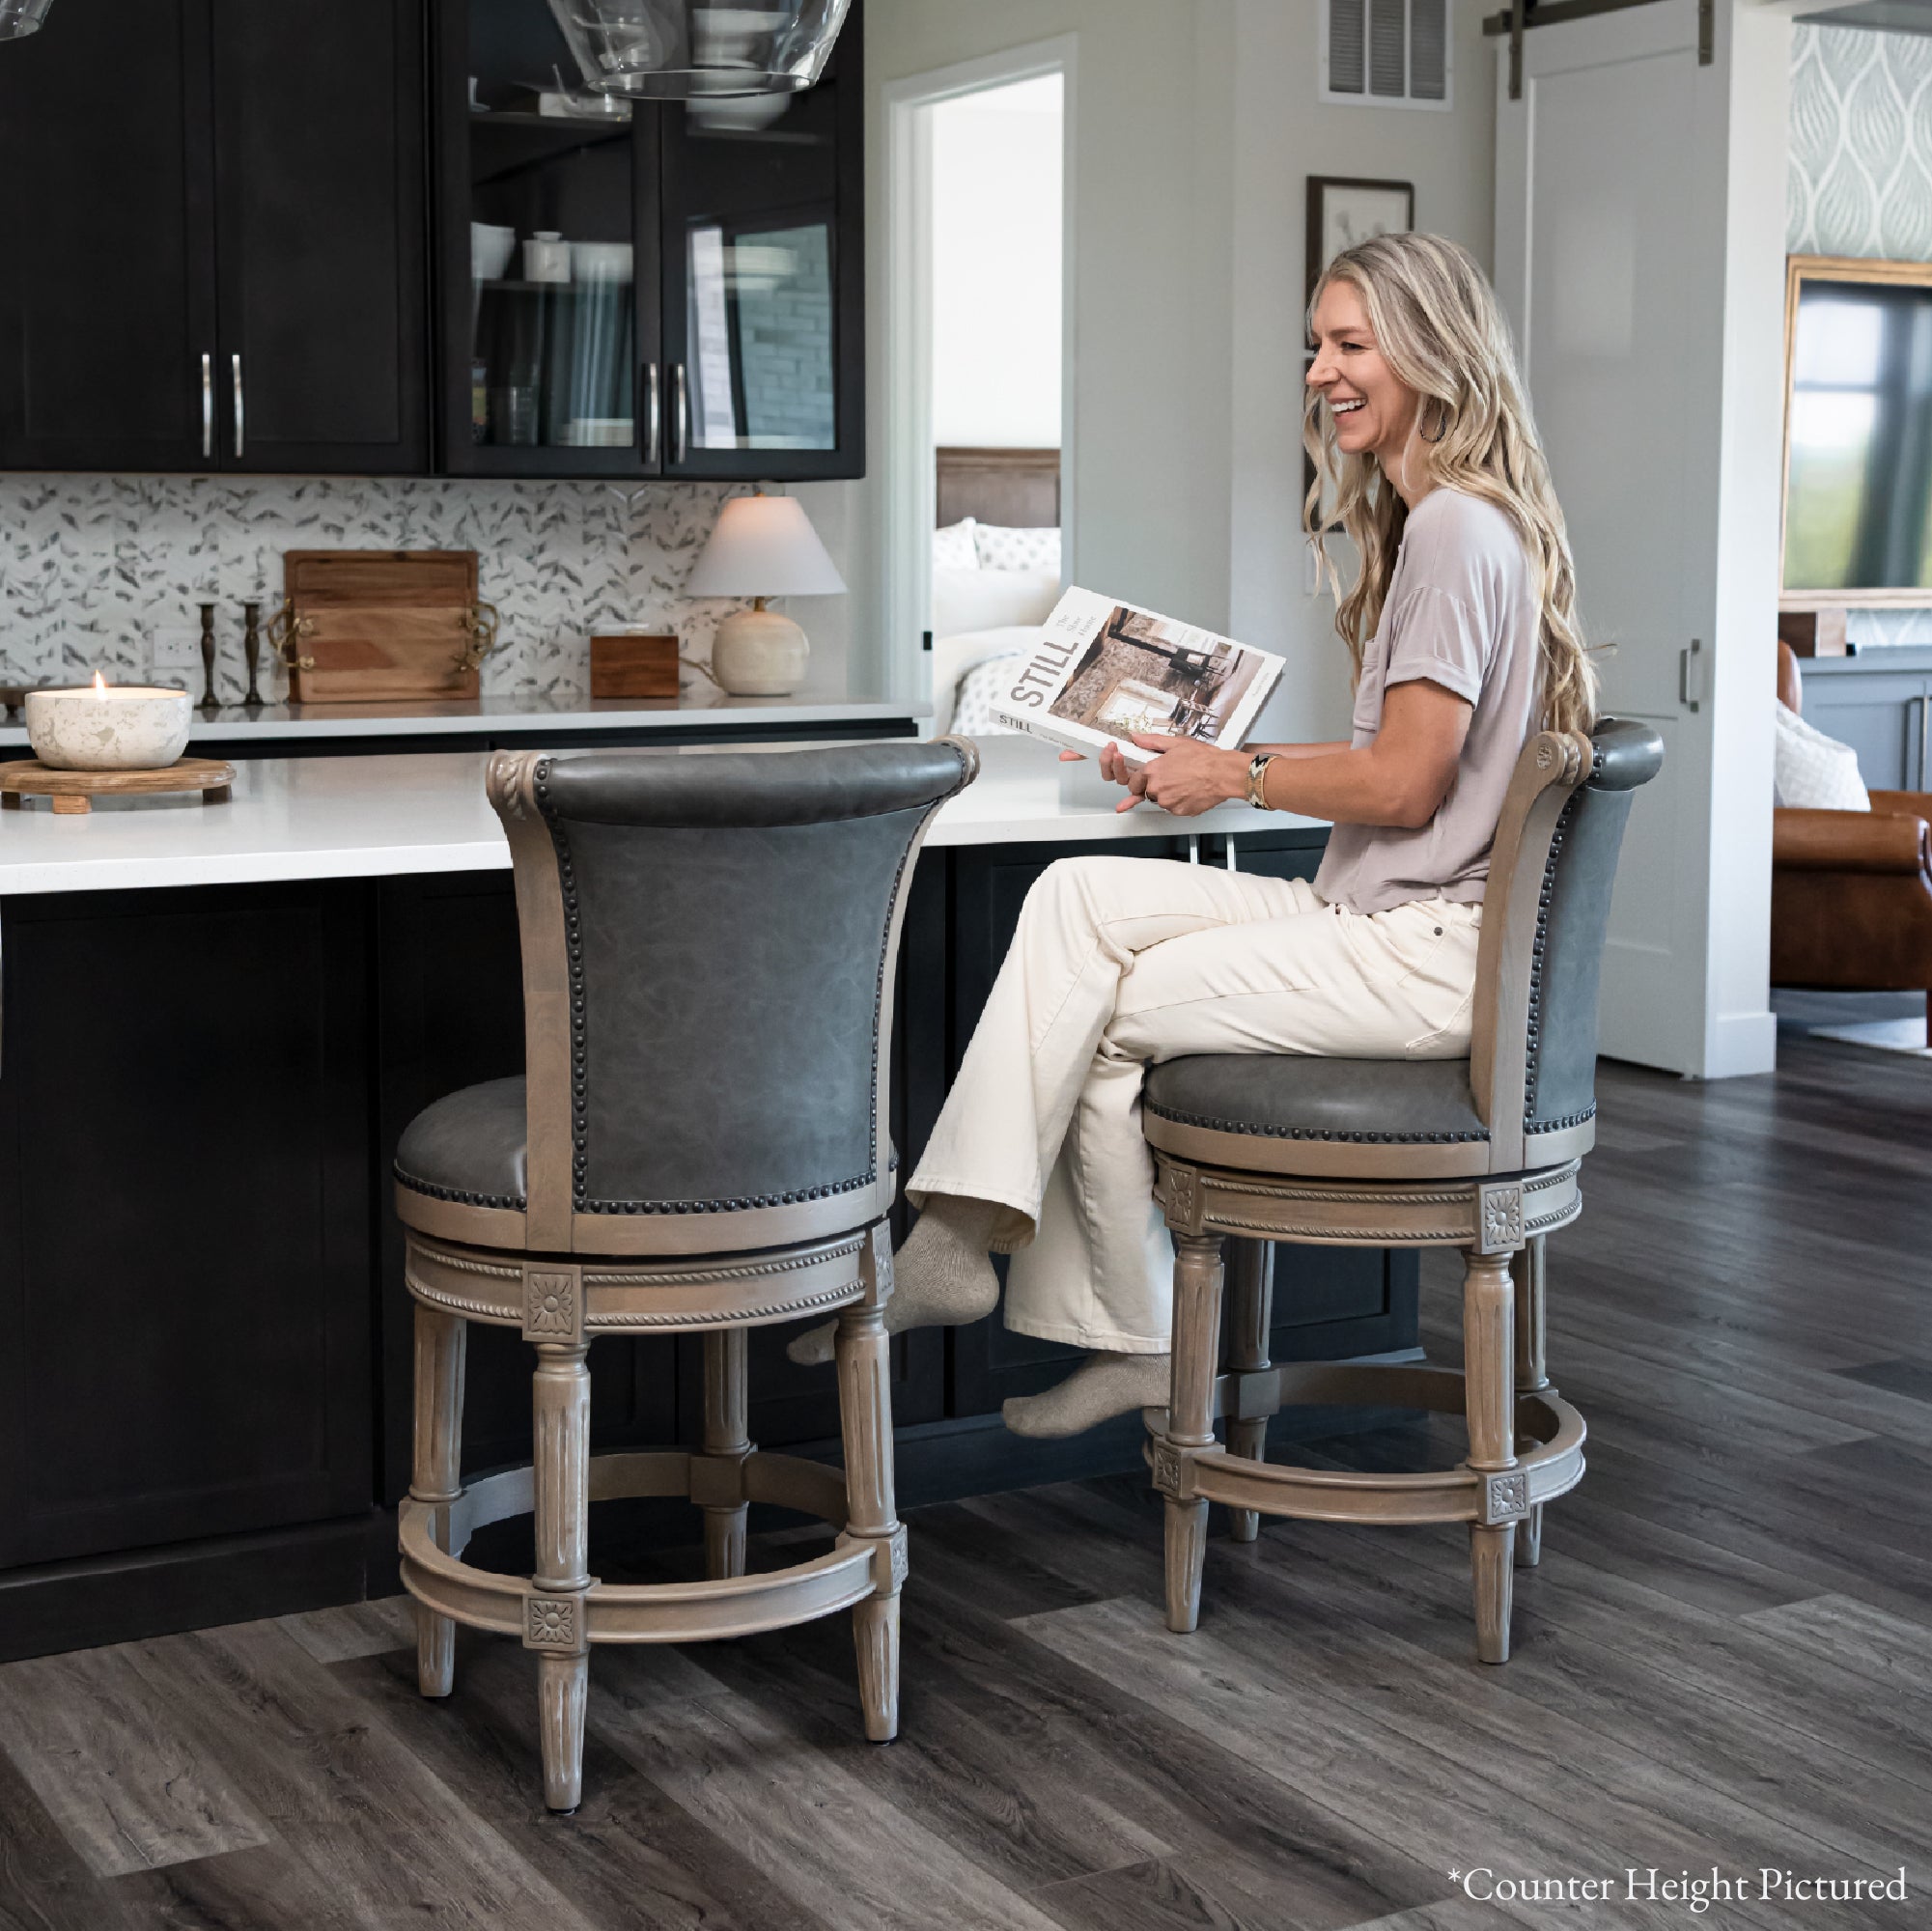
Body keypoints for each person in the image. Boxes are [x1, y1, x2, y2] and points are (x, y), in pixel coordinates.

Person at [790, 232, 1597, 1437]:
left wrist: (1240, 766)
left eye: (1348, 343)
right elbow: (1413, 774)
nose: (1320, 372)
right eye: (1315, 347)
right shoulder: (1451, 522)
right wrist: (1202, 770)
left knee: (1101, 1011)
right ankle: (961, 1244)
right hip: (1384, 916)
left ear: (1431, 351)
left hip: (1429, 948)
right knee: (1074, 897)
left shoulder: (1450, 532)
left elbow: (1409, 782)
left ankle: (1121, 1324)